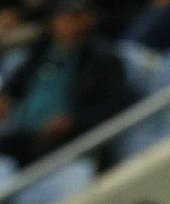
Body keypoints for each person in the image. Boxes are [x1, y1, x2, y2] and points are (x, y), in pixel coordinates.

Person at [0, 0, 131, 166]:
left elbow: (111, 106)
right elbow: (17, 82)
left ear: (89, 19)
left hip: (70, 143)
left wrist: (73, 120)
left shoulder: (103, 59)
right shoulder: (42, 51)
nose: (68, 23)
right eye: (64, 17)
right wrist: (6, 96)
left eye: (76, 17)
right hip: (25, 134)